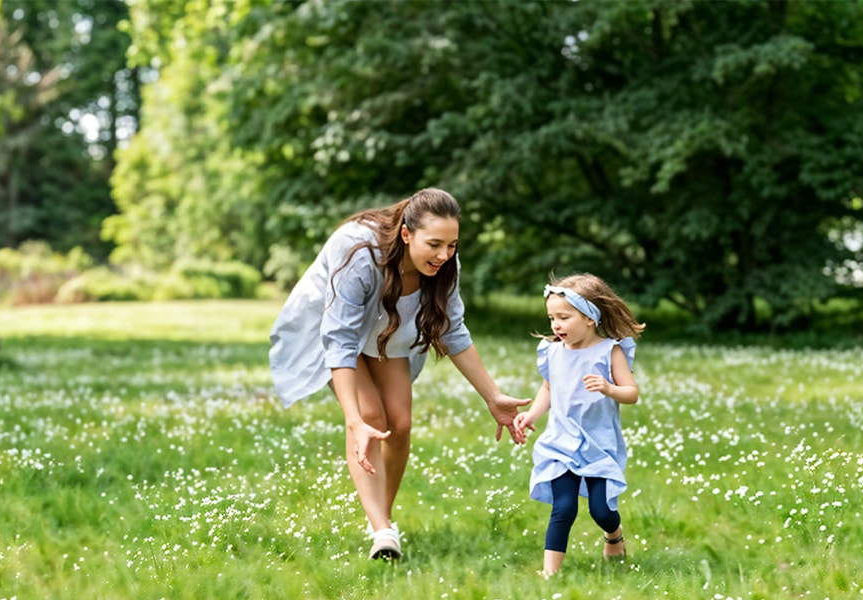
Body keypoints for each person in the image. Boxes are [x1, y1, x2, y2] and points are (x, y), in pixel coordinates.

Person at [269, 187, 530, 560]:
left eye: (453, 245)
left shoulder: (442, 267)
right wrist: (354, 419)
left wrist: (494, 397)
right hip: (334, 328)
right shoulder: (361, 256)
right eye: (435, 244)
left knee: (400, 423)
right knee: (372, 417)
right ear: (407, 234)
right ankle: (381, 530)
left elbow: (454, 331)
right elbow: (340, 339)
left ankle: (382, 520)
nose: (445, 255)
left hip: (387, 329)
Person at [511, 273, 645, 576]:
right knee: (564, 508)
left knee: (602, 510)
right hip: (560, 442)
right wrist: (532, 415)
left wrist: (610, 388)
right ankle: (550, 576)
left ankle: (614, 534)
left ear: (590, 318)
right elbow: (548, 388)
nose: (556, 325)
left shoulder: (609, 351)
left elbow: (632, 393)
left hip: (599, 444)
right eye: (551, 318)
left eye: (564, 317)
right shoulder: (552, 351)